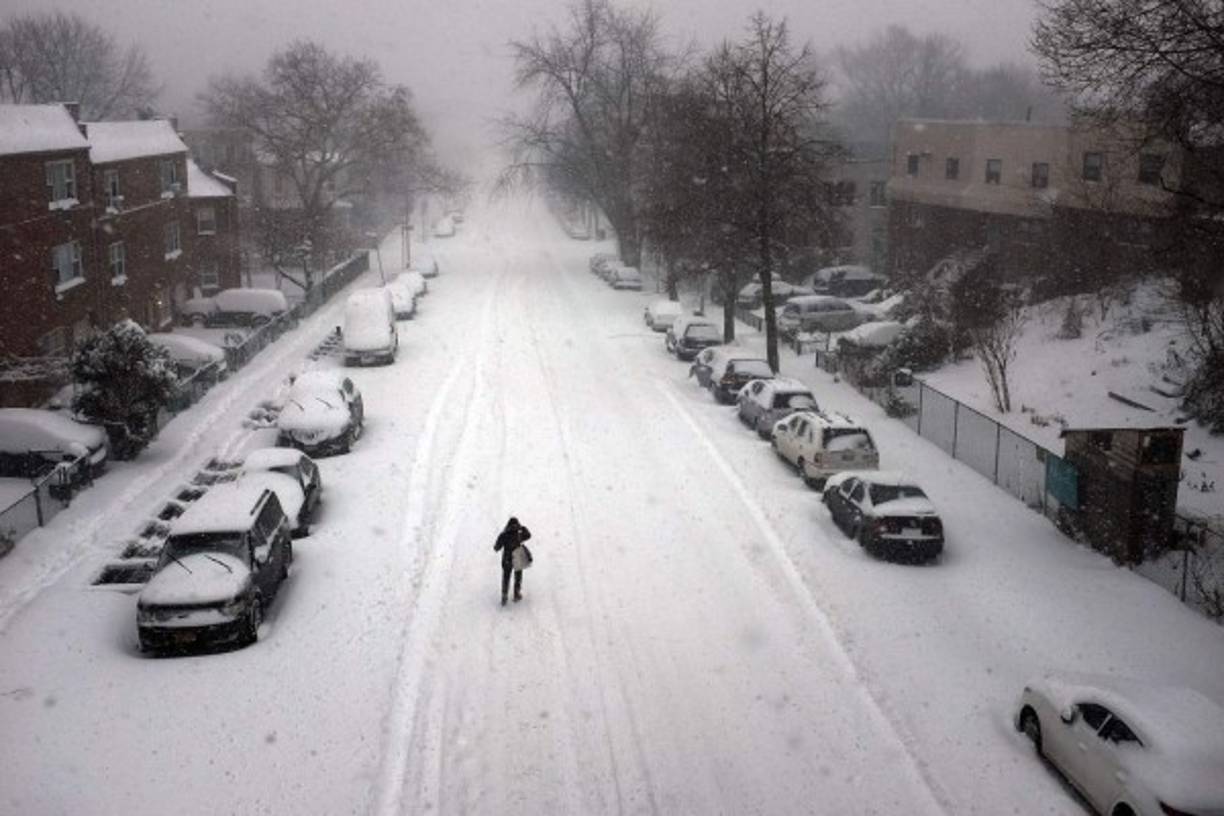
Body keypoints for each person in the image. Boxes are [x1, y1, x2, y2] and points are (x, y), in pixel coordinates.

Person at [493, 516, 532, 606]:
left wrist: (499, 545)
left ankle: (504, 596)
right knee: (518, 576)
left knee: (506, 577)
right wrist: (522, 528)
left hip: (507, 558)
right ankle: (516, 594)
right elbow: (528, 535)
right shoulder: (519, 534)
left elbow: (496, 548)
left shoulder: (503, 535)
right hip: (518, 557)